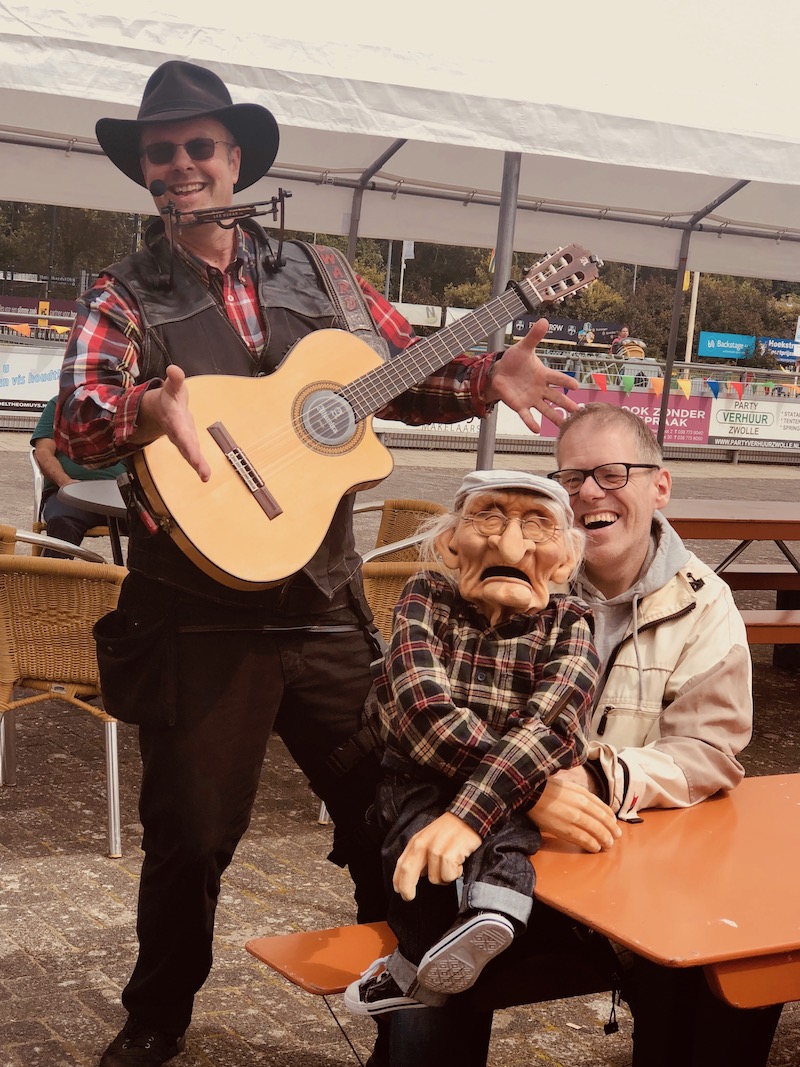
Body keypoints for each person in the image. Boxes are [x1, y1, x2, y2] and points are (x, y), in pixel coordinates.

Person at [54, 60, 581, 1067]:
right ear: (146, 172)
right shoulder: (123, 295)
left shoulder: (325, 273)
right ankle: (157, 1015)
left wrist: (484, 376)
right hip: (196, 617)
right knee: (191, 836)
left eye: (197, 147)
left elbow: (393, 380)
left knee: (387, 801)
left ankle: (416, 997)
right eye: (160, 152)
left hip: (324, 602)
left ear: (236, 157)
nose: (179, 165)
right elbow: (80, 420)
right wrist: (144, 415)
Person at [389, 403, 782, 1067]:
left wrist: (601, 778)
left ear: (659, 485)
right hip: (486, 847)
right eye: (571, 477)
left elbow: (709, 752)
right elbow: (423, 718)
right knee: (437, 974)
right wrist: (532, 791)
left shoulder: (702, 603)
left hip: (623, 862)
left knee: (737, 960)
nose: (589, 493)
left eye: (611, 473)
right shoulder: (480, 593)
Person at [343, 470, 600, 1017]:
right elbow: (423, 712)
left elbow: (552, 725)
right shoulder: (425, 596)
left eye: (538, 526)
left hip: (504, 787)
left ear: (566, 562)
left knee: (506, 843)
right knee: (411, 843)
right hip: (420, 777)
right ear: (449, 544)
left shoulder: (572, 621)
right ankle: (435, 952)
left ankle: (477, 931)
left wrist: (470, 814)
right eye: (488, 517)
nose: (510, 544)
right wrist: (517, 788)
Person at [30, 395, 126, 554]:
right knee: (62, 522)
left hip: (120, 491)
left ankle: (141, 578)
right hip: (70, 491)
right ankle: (53, 577)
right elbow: (43, 452)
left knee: (155, 524)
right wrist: (65, 482)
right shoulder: (59, 404)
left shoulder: (126, 405)